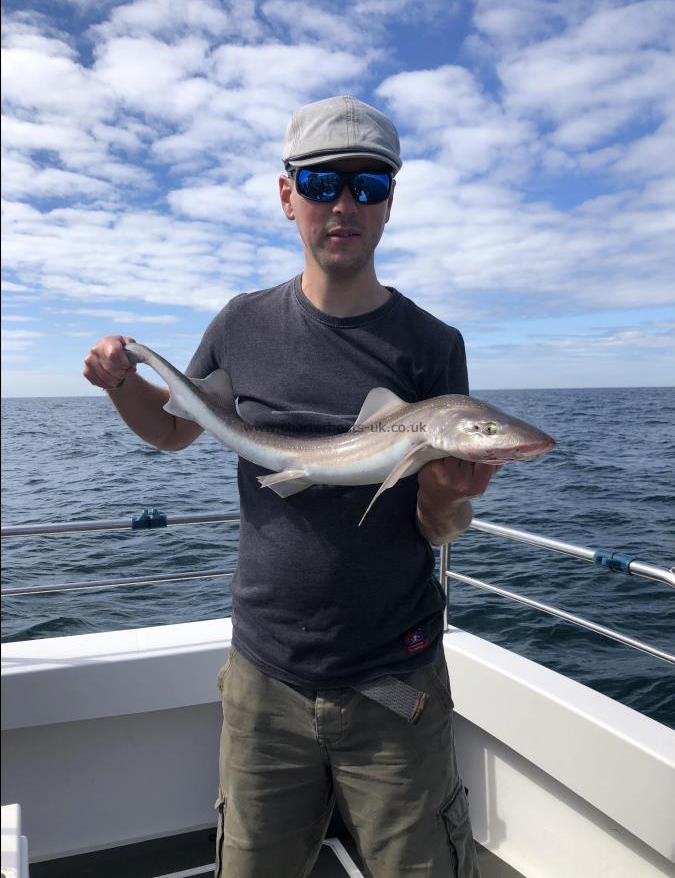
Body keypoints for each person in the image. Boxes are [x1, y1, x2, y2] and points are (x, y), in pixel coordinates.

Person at [83, 95, 497, 877]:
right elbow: (176, 431)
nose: (344, 204)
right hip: (264, 677)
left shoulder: (432, 346)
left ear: (389, 203)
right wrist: (119, 385)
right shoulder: (241, 325)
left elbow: (436, 529)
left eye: (368, 186)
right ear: (287, 196)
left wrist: (450, 494)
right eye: (321, 183)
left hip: (394, 678)